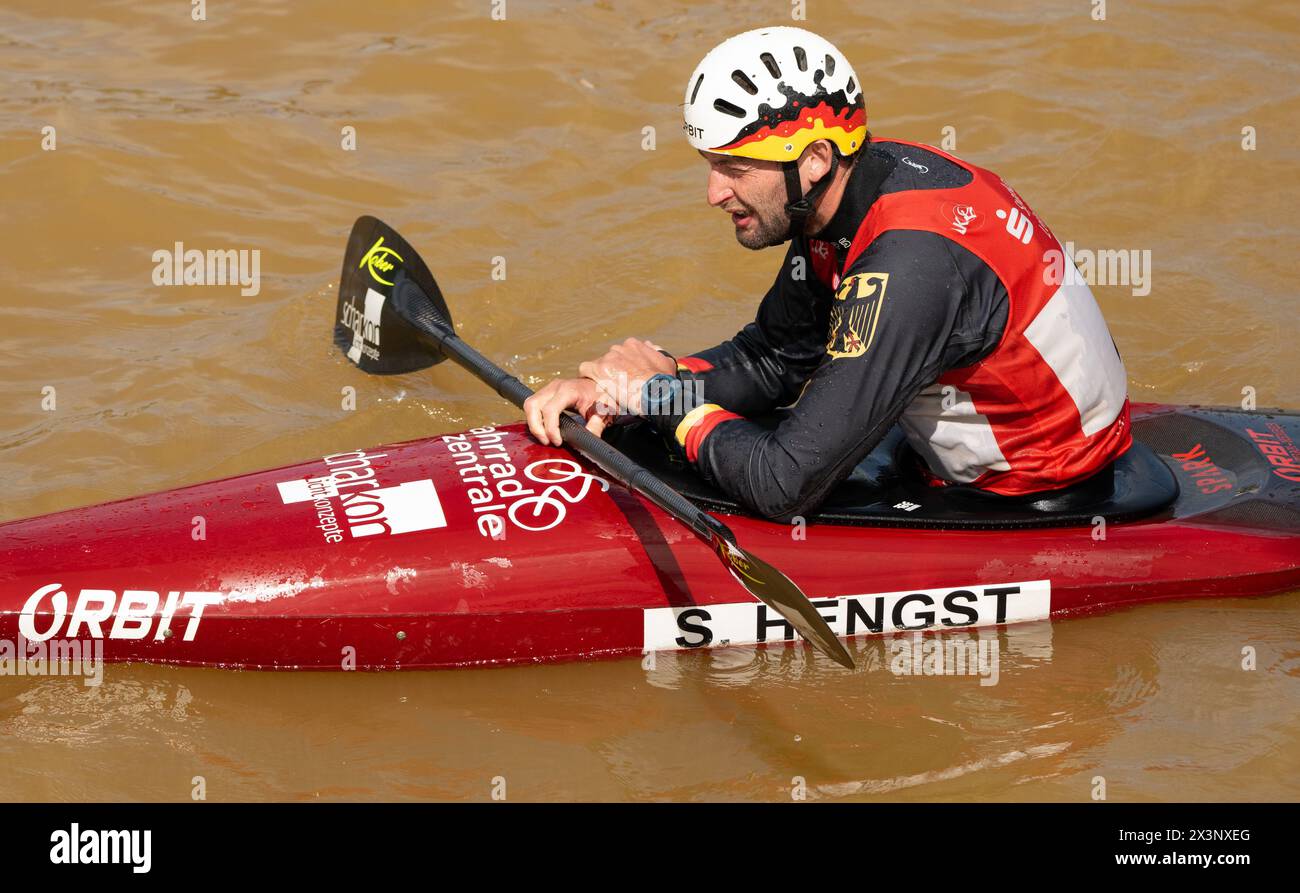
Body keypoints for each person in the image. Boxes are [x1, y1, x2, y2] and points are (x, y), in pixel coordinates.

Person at [524, 26, 1131, 520]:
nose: (713, 192)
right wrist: (620, 393)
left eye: (735, 167)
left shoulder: (908, 264)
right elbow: (776, 359)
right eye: (711, 165)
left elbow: (785, 485)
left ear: (813, 160)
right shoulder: (839, 198)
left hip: (1027, 489)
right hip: (950, 434)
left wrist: (659, 397)